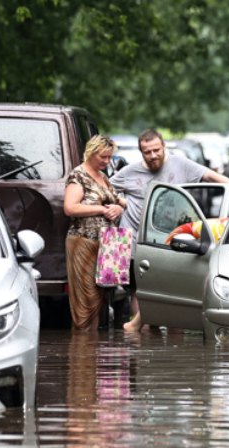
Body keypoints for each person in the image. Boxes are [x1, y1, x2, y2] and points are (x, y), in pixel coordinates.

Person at [110, 128, 229, 331]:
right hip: (136, 239)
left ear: (164, 147)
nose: (153, 155)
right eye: (148, 152)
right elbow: (104, 189)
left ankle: (152, 331)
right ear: (141, 152)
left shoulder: (180, 164)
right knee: (138, 291)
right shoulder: (130, 172)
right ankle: (143, 341)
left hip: (171, 239)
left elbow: (210, 176)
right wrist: (118, 204)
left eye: (157, 150)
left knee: (171, 289)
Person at [64, 135, 127, 331]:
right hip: (84, 242)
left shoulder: (103, 177)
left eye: (110, 158)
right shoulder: (78, 176)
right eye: (103, 157)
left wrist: (118, 208)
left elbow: (120, 201)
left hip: (109, 244)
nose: (107, 161)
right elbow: (70, 208)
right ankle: (82, 349)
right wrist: (101, 209)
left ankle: (95, 352)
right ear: (91, 153)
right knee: (86, 299)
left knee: (104, 297)